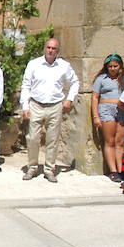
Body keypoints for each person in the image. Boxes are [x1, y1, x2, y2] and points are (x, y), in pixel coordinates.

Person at [19, 38, 80, 182]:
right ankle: (32, 167)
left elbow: (75, 82)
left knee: (52, 139)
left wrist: (69, 99)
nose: (50, 50)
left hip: (55, 105)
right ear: (44, 48)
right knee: (33, 138)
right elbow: (26, 85)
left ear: (58, 51)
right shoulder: (34, 64)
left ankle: (49, 169)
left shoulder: (64, 66)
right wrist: (25, 106)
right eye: (48, 47)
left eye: (54, 48)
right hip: (36, 104)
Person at [91, 54, 124, 183]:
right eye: (110, 66)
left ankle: (121, 169)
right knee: (110, 141)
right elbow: (95, 97)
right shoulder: (101, 79)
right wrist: (96, 116)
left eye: (115, 66)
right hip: (106, 109)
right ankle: (113, 170)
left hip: (122, 110)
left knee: (120, 142)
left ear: (120, 66)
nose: (113, 69)